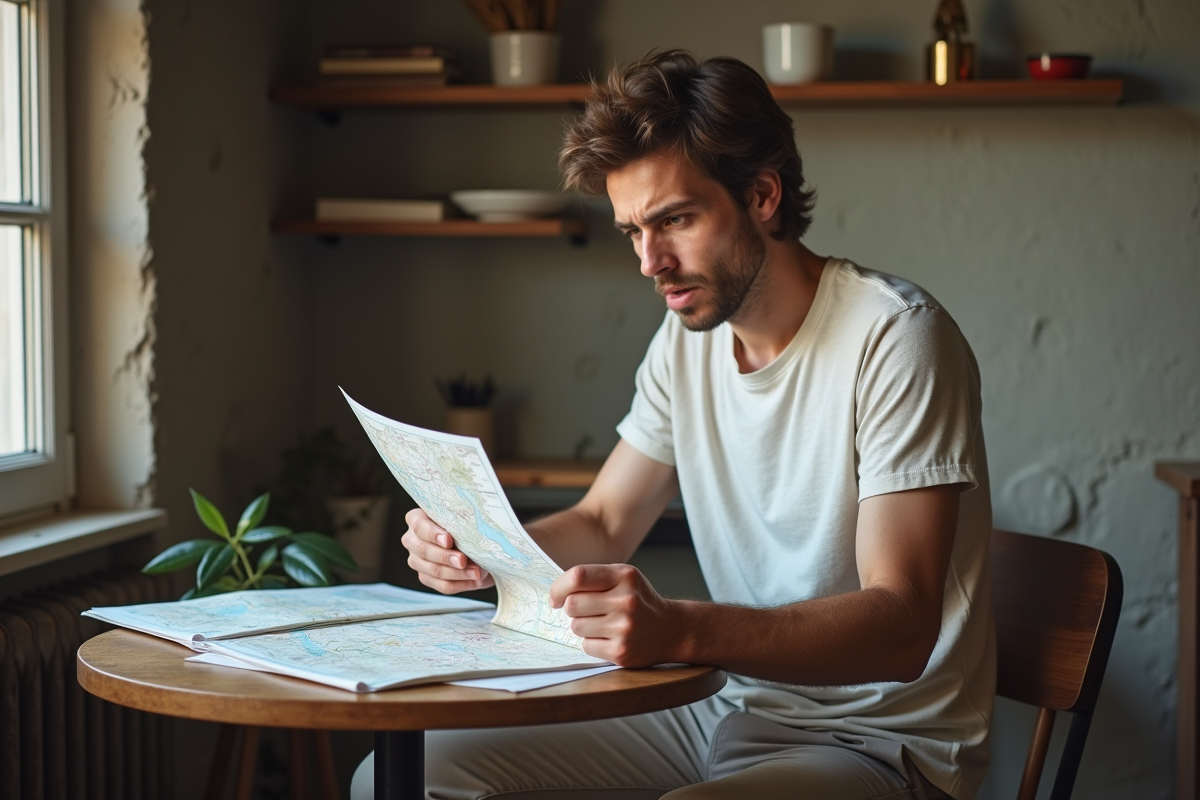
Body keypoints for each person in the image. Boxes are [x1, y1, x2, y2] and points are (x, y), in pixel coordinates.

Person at [353, 50, 994, 800]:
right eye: (632, 231)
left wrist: (681, 630)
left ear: (761, 195)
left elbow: (902, 624)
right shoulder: (686, 341)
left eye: (675, 221)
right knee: (402, 779)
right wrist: (481, 549)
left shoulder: (896, 337)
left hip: (881, 745)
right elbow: (603, 519)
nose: (650, 262)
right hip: (726, 704)